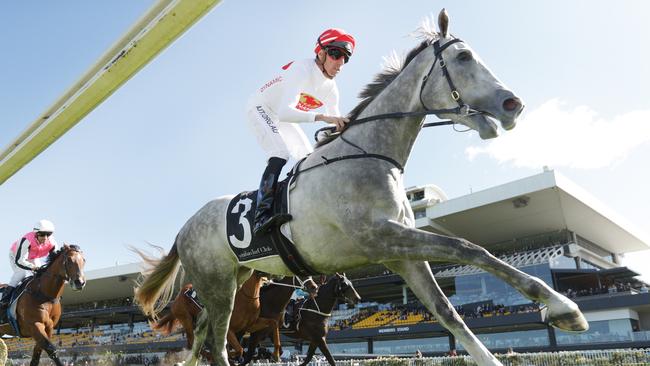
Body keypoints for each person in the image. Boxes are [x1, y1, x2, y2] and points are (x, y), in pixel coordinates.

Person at [246, 28, 356, 235]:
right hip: (261, 108)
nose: (340, 62)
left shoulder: (332, 89)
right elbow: (285, 112)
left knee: (309, 158)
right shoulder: (302, 70)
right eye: (335, 54)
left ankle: (295, 204)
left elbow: (335, 128)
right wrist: (322, 117)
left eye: (345, 58)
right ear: (321, 53)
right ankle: (260, 217)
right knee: (280, 153)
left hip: (280, 116)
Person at [0, 219, 59, 313]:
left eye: (48, 234)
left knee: (41, 275)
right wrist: (34, 268)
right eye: (42, 234)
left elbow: (55, 259)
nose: (45, 237)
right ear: (36, 233)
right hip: (17, 256)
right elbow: (20, 261)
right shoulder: (26, 240)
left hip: (33, 256)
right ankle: (5, 299)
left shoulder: (52, 242)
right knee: (21, 273)